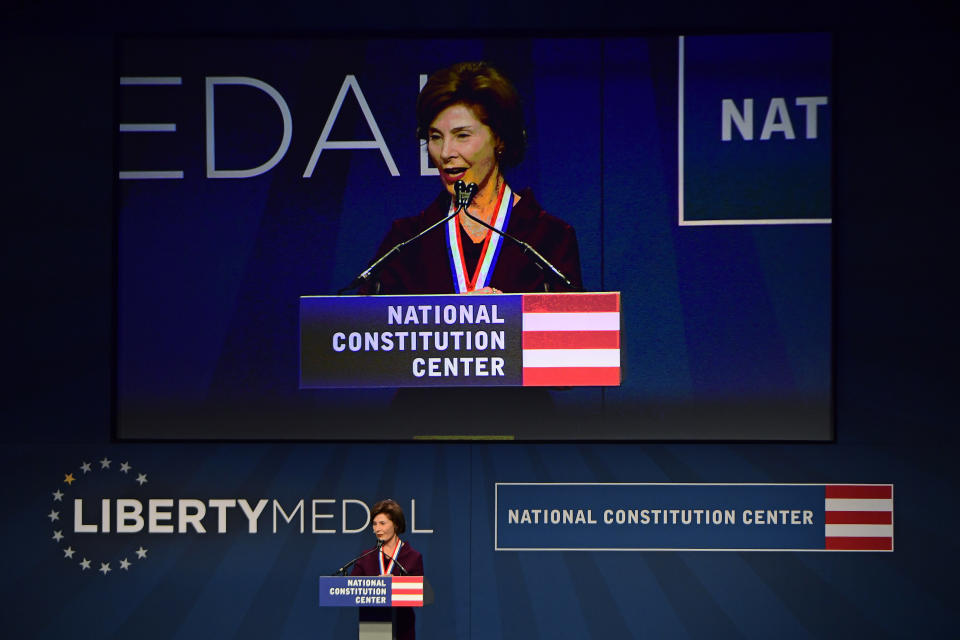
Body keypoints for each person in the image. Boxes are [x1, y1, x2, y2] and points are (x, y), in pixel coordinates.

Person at [362, 61, 582, 295]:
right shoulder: (406, 241)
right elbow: (365, 325)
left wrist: (504, 317)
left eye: (462, 135)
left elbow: (572, 328)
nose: (446, 152)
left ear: (499, 138)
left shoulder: (548, 238)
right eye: (436, 137)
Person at [351, 499, 424, 640]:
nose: (377, 529)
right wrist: (375, 584)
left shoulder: (413, 557)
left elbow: (418, 593)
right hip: (373, 626)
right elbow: (352, 588)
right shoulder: (367, 557)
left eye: (382, 523)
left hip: (403, 626)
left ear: (396, 524)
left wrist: (395, 584)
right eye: (374, 524)